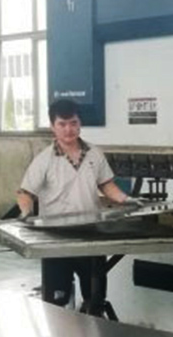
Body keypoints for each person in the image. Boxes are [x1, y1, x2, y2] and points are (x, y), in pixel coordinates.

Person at [18, 98, 139, 310]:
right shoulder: (44, 160)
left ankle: (93, 329)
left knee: (95, 299)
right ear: (52, 127)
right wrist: (26, 212)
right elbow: (25, 193)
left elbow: (106, 184)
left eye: (73, 123)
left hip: (90, 236)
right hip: (55, 239)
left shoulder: (94, 154)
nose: (68, 129)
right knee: (56, 303)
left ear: (80, 123)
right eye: (62, 124)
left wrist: (126, 199)